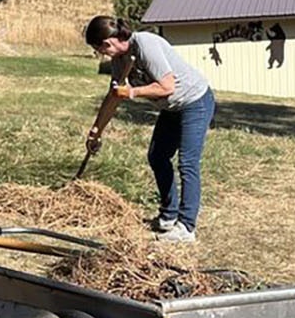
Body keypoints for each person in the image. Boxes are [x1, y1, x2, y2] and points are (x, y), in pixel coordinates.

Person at [83, 16, 215, 243]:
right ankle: (168, 214)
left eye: (100, 49)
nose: (102, 54)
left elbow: (167, 87)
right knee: (157, 156)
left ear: (108, 42)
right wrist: (96, 131)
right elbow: (113, 98)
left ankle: (186, 226)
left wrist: (132, 92)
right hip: (172, 108)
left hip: (195, 101)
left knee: (187, 162)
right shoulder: (119, 59)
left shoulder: (145, 44)